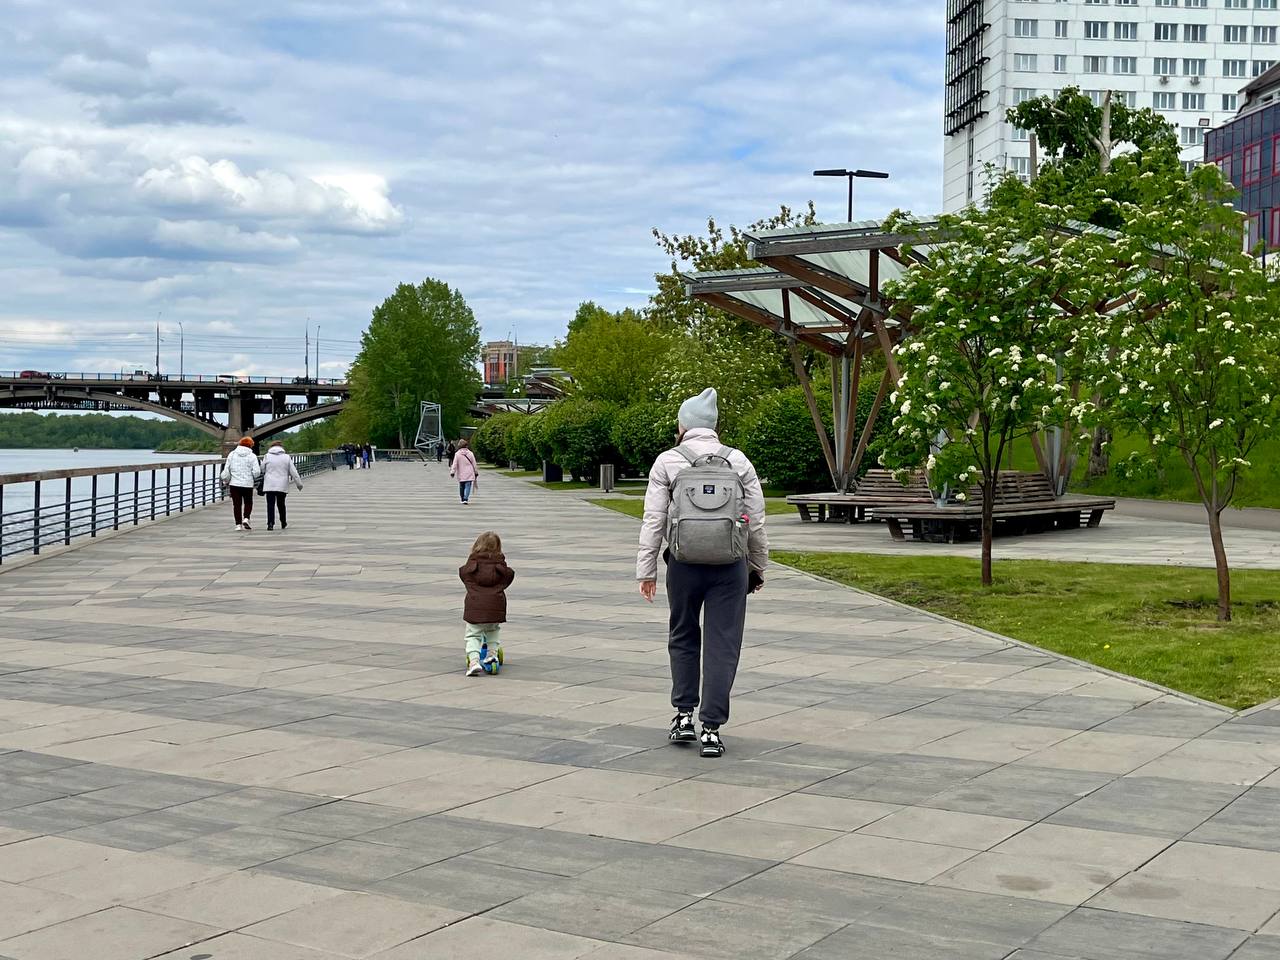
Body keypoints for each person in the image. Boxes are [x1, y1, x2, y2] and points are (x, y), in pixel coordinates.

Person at [636, 387, 768, 758]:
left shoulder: (667, 461)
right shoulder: (738, 461)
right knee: (723, 643)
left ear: (682, 425)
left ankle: (682, 716)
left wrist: (646, 569)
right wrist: (757, 566)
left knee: (682, 634)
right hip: (730, 566)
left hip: (683, 563)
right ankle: (711, 727)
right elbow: (756, 521)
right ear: (714, 426)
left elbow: (654, 520)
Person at [459, 530, 515, 676]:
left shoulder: (472, 564)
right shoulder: (500, 565)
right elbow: (509, 576)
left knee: (473, 634)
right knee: (492, 630)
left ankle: (474, 661)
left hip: (475, 606)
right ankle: (491, 655)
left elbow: (463, 574)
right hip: (495, 607)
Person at [220, 437, 262, 532]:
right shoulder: (252, 456)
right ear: (251, 445)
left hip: (234, 484)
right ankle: (246, 518)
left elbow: (227, 469)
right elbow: (256, 472)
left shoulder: (232, 454)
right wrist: (252, 475)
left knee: (237, 505)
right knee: (248, 502)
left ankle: (238, 524)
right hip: (247, 484)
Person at [261, 440, 304, 531]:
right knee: (281, 504)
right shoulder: (286, 457)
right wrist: (299, 484)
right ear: (281, 448)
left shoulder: (267, 456)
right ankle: (283, 522)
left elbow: (262, 469)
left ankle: (270, 523)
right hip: (282, 484)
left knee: (270, 505)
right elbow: (294, 472)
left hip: (269, 484)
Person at [450, 439, 478, 504]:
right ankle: (466, 498)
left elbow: (455, 464)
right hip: (470, 472)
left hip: (461, 473)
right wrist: (476, 472)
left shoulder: (457, 454)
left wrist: (452, 472)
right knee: (468, 486)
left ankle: (462, 498)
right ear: (466, 446)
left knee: (462, 486)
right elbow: (474, 463)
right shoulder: (471, 453)